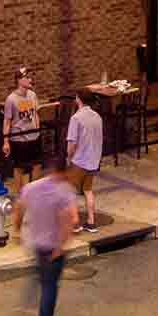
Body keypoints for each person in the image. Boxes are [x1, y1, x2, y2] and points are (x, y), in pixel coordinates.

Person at [13, 165, 76, 316]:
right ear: (64, 172)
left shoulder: (31, 187)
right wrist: (61, 246)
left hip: (35, 242)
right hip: (52, 245)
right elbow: (70, 219)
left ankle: (31, 300)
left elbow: (19, 208)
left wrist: (17, 230)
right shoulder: (64, 191)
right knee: (50, 286)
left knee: (42, 275)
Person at [64, 89, 104, 232]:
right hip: (93, 160)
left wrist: (69, 157)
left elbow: (72, 143)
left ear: (79, 100)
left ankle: (75, 223)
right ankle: (91, 222)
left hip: (79, 160)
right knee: (88, 190)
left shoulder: (76, 118)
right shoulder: (97, 117)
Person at [2, 67, 45, 193]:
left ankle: (33, 192)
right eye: (27, 77)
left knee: (37, 164)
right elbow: (7, 121)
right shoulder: (11, 99)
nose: (30, 80)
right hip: (19, 139)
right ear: (19, 80)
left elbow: (36, 113)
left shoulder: (32, 95)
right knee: (19, 168)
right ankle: (19, 194)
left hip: (34, 137)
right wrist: (6, 141)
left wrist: (37, 129)